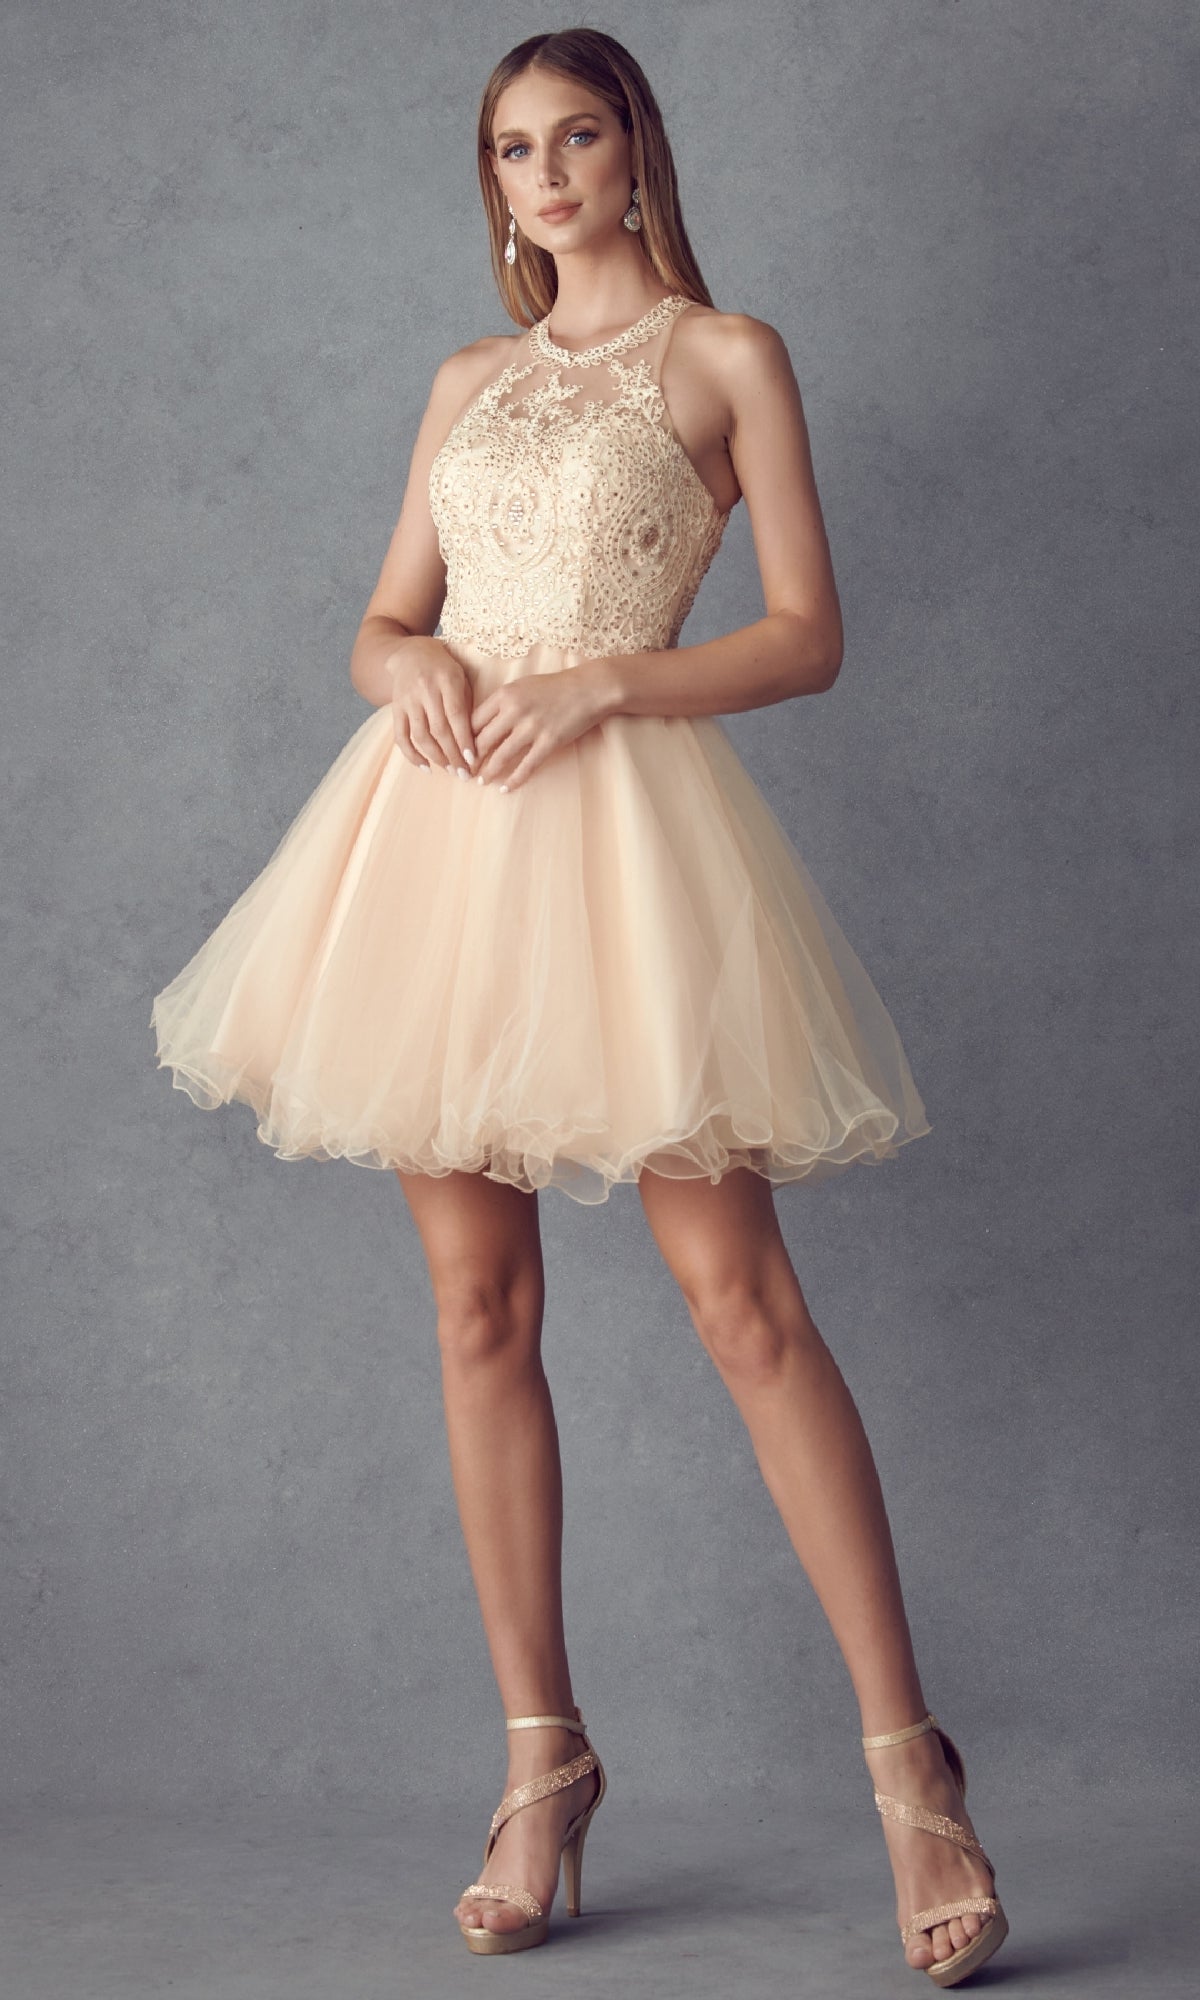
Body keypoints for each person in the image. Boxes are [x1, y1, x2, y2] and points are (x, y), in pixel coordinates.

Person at [150, 25, 1007, 1987]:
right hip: (434, 851)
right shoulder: (467, 379)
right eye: (511, 149)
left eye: (576, 137)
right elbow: (383, 621)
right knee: (478, 1309)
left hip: (623, 846)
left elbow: (809, 633)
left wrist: (607, 679)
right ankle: (542, 1761)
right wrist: (406, 671)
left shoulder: (729, 357)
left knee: (744, 1305)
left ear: (637, 156)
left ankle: (913, 1766)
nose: (541, 176)